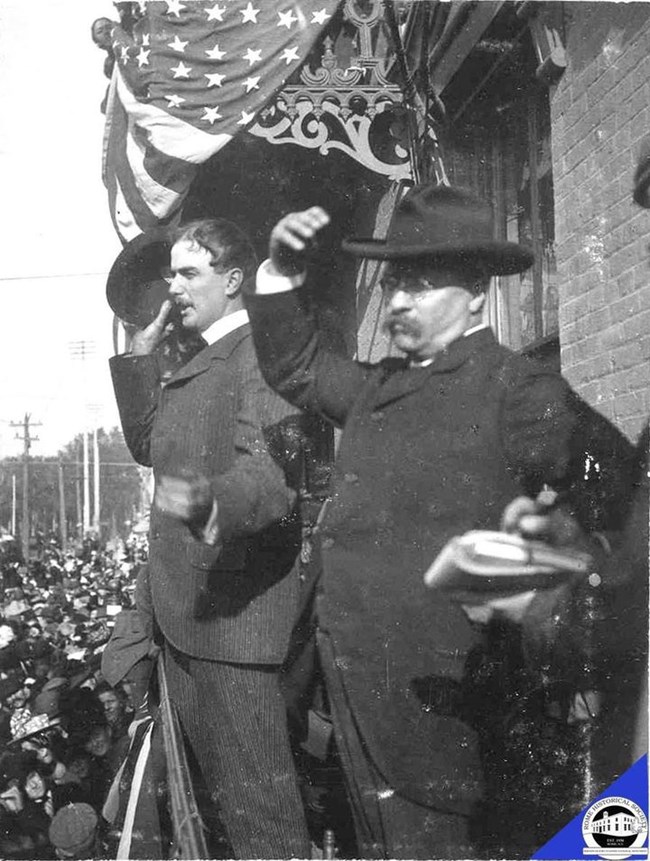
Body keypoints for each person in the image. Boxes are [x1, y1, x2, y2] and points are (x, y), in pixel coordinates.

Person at [243, 184, 637, 859]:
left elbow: (623, 492)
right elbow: (298, 364)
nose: (397, 300)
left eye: (421, 284)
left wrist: (551, 593)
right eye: (395, 280)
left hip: (448, 715)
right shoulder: (377, 386)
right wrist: (278, 273)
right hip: (357, 696)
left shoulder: (518, 390)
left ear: (477, 291)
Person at [109, 218, 311, 858]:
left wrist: (207, 500)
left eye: (188, 273)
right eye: (171, 273)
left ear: (233, 280)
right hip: (188, 624)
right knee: (217, 823)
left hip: (237, 632)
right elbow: (150, 444)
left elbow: (272, 478)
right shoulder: (196, 363)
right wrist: (140, 356)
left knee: (263, 828)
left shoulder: (262, 355)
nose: (173, 288)